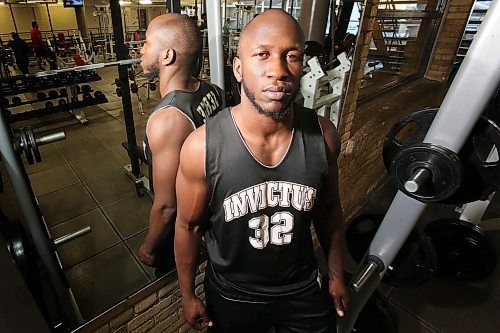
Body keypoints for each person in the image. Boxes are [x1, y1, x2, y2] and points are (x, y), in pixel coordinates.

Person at [175, 9, 349, 333]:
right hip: (232, 295)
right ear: (239, 68)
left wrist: (337, 274)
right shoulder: (202, 147)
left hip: (301, 290)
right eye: (263, 55)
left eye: (292, 56)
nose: (279, 71)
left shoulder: (323, 135)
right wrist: (187, 294)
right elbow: (187, 227)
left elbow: (329, 212)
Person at [138, 13, 225, 277]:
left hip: (183, 228)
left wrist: (150, 247)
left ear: (167, 56)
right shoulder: (213, 91)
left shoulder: (168, 120)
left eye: (146, 43)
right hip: (210, 215)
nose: (140, 49)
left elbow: (167, 207)